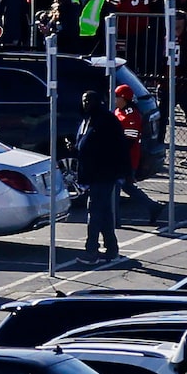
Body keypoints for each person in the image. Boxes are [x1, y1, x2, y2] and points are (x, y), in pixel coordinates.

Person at [75, 91, 130, 267]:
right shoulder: (88, 120)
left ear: (98, 102)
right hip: (93, 174)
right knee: (104, 212)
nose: (85, 104)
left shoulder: (106, 120)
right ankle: (112, 249)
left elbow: (117, 147)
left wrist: (124, 172)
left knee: (95, 212)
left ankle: (92, 250)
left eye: (88, 100)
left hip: (104, 173)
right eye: (83, 100)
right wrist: (76, 147)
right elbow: (85, 143)